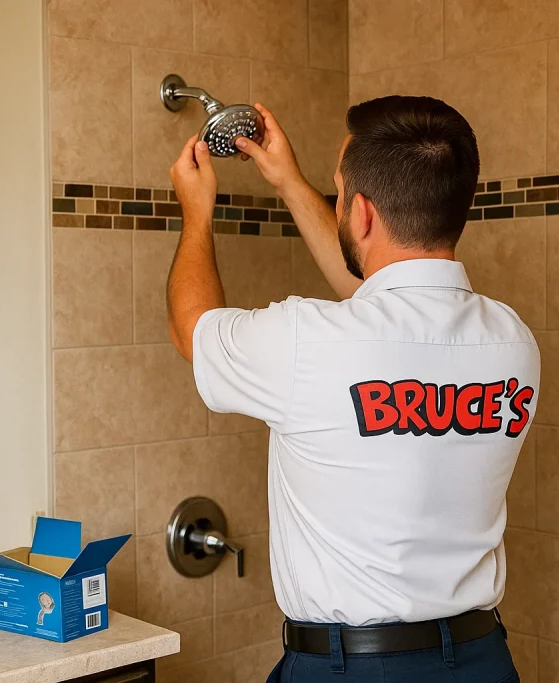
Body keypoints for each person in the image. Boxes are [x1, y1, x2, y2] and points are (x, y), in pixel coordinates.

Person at [166, 95, 539, 683]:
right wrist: (290, 181)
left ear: (361, 213)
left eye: (339, 192)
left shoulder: (307, 340)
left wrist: (196, 214)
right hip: (482, 662)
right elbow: (381, 300)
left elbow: (194, 332)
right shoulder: (511, 343)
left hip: (353, 671)